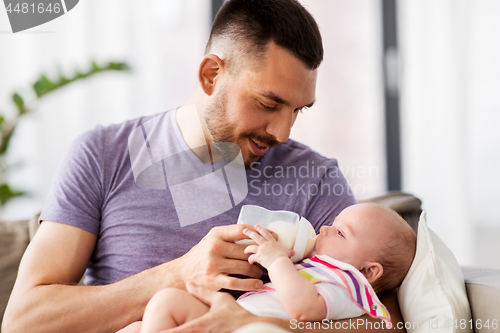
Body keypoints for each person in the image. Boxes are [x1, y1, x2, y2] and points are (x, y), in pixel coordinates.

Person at [2, 1, 407, 332]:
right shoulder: (102, 155)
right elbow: (24, 321)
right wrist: (177, 275)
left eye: (297, 110)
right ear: (211, 74)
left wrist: (266, 325)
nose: (283, 132)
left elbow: (387, 322)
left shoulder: (315, 179)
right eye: (268, 104)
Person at [122, 203, 416, 332]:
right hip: (228, 322)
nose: (325, 229)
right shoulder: (315, 267)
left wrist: (276, 260)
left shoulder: (347, 286)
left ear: (369, 271)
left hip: (250, 327)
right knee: (135, 328)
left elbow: (304, 309)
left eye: (341, 233)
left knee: (168, 301)